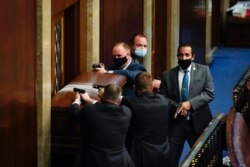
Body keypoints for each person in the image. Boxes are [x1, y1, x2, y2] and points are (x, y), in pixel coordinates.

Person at [159, 43, 215, 167]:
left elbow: (209, 94)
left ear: (193, 56)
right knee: (169, 159)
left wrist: (189, 104)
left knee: (203, 159)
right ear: (177, 56)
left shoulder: (204, 70)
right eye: (181, 55)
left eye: (187, 55)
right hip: (176, 123)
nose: (184, 58)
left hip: (198, 121)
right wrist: (178, 106)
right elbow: (162, 97)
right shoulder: (167, 75)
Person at [69, 84, 134, 167]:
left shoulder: (90, 110)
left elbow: (74, 113)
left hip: (92, 160)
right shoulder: (126, 113)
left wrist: (77, 101)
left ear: (103, 95)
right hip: (120, 161)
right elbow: (108, 107)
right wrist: (93, 99)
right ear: (118, 99)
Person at [122, 71, 170, 167]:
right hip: (163, 152)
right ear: (152, 87)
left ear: (135, 87)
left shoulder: (132, 103)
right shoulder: (164, 101)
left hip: (142, 156)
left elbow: (119, 99)